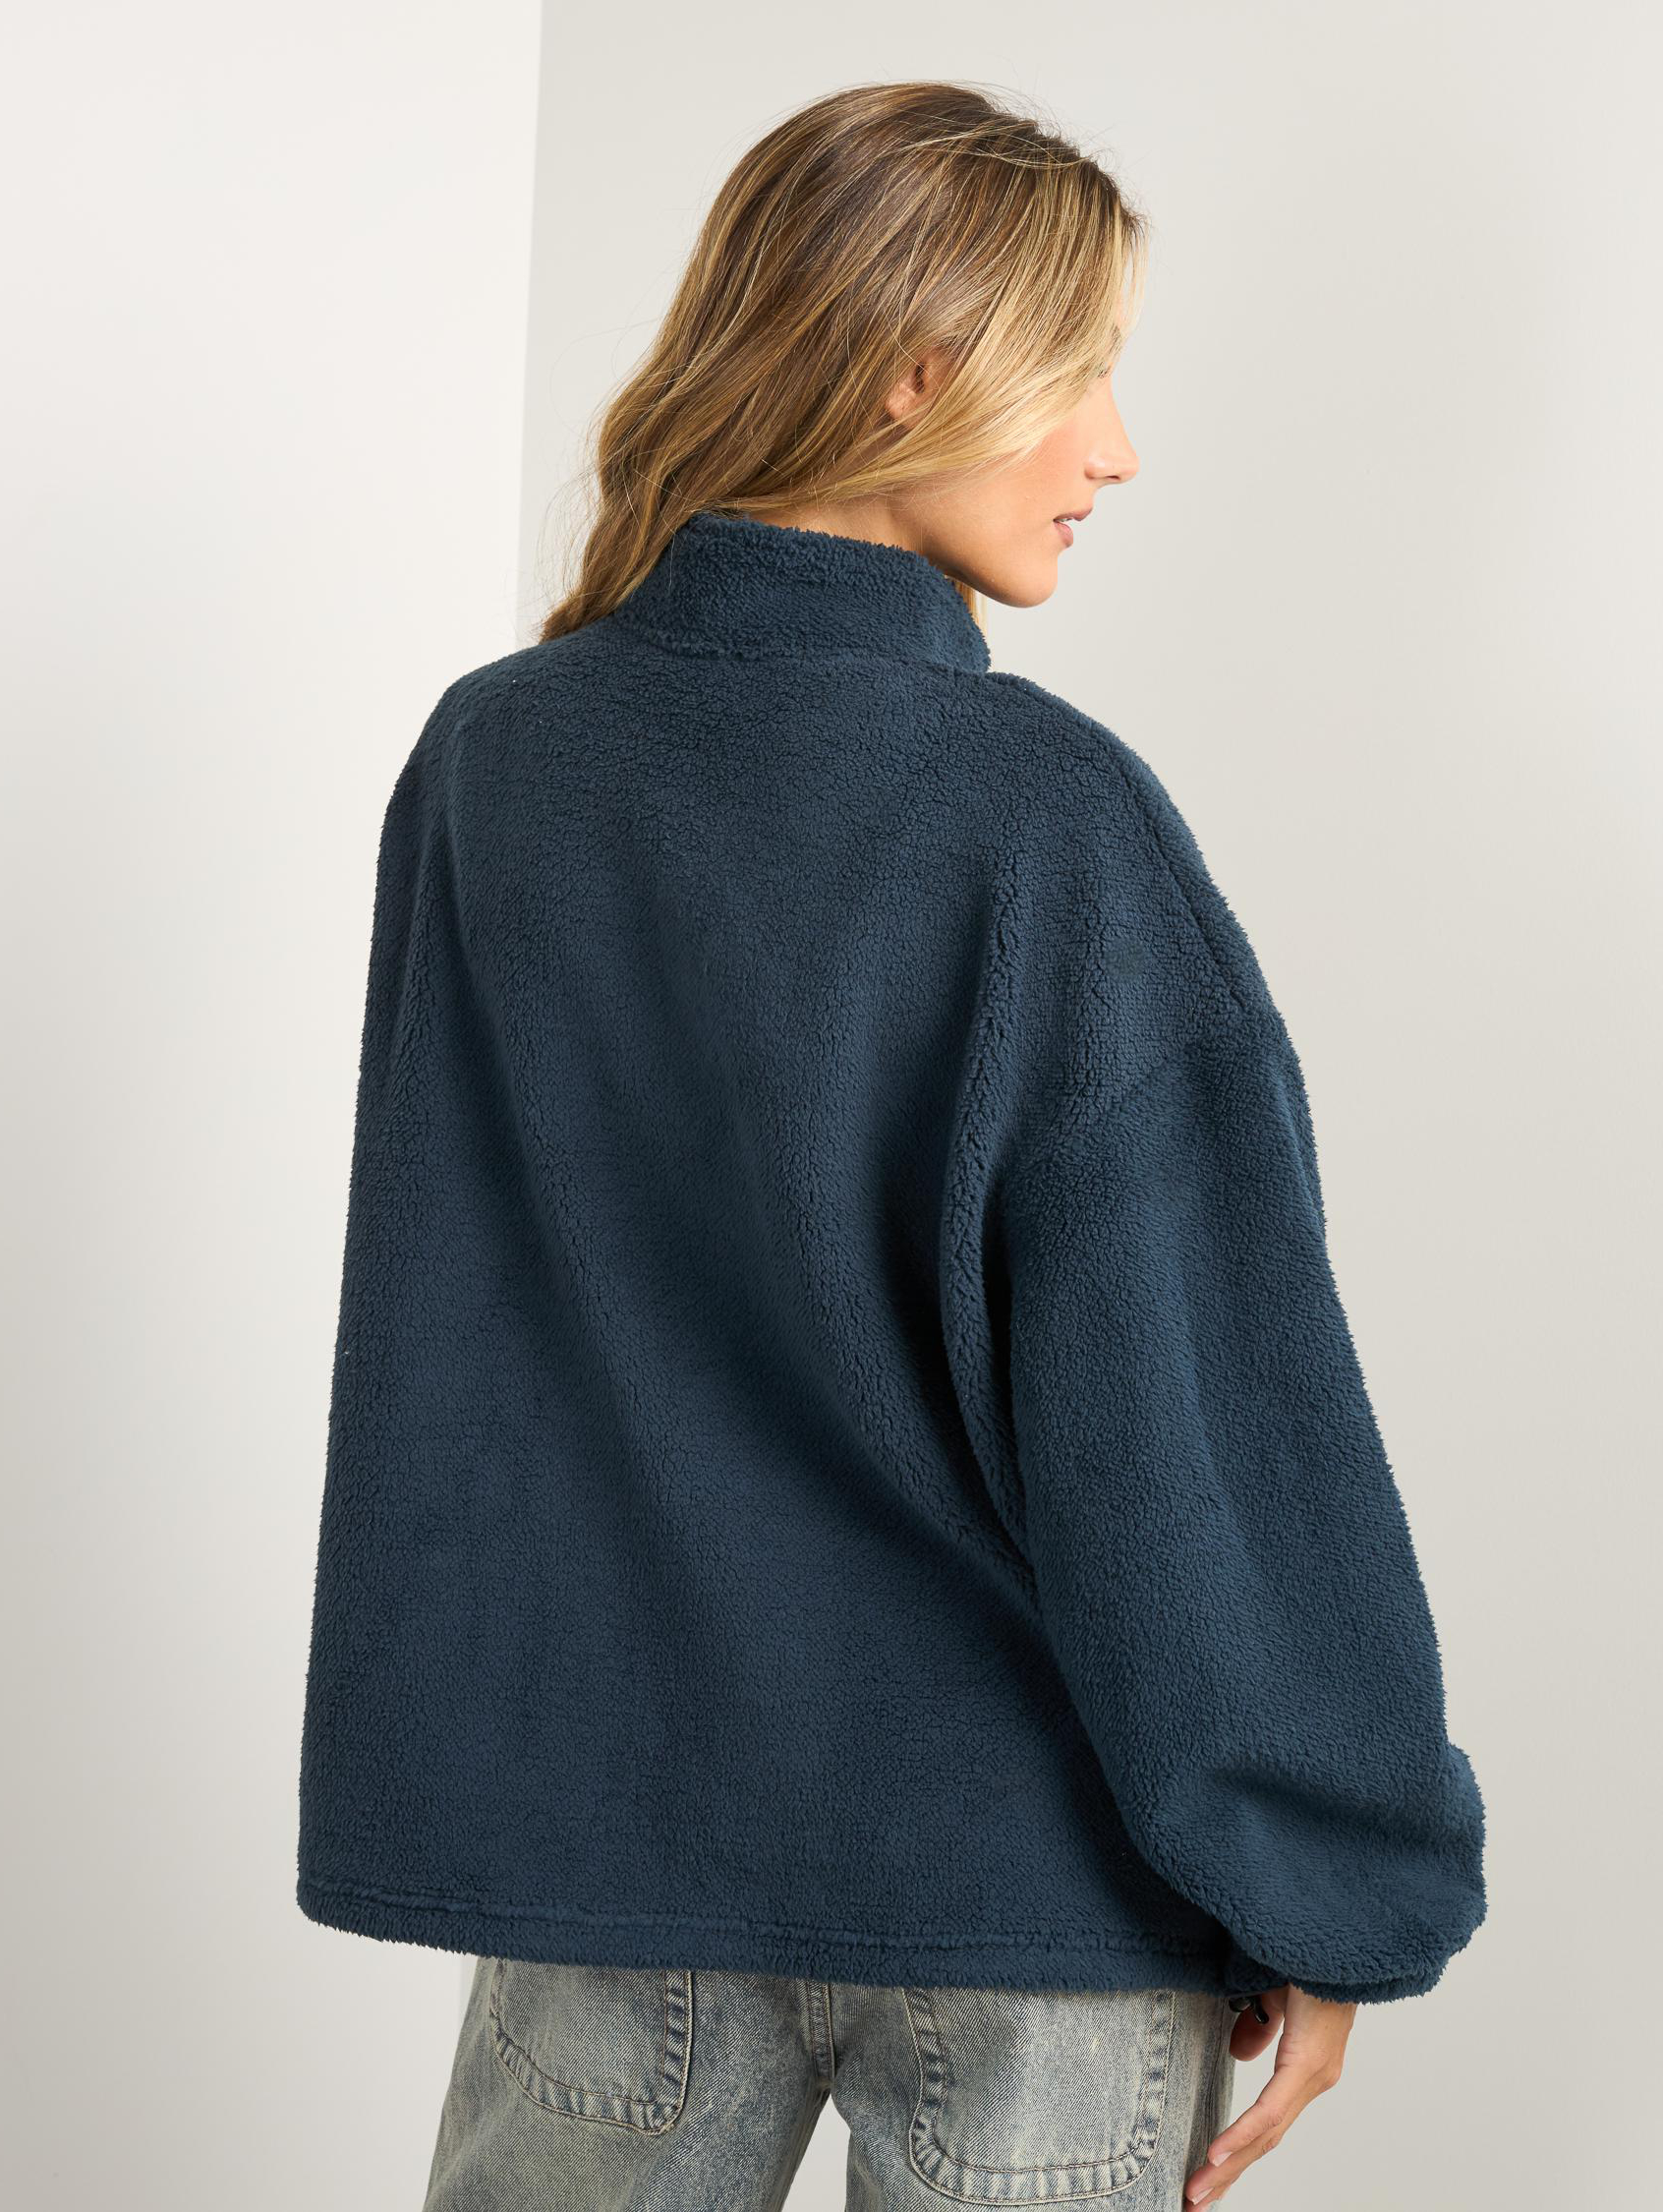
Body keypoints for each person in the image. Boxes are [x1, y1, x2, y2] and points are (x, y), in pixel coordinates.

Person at [296, 81, 1488, 2211]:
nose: (1116, 448)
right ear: (916, 373)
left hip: (606, 1865)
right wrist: (1331, 1878)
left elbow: (448, 1341)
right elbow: (1193, 1416)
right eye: (1083, 371)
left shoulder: (494, 766)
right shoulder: (1044, 819)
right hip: (1024, 1889)